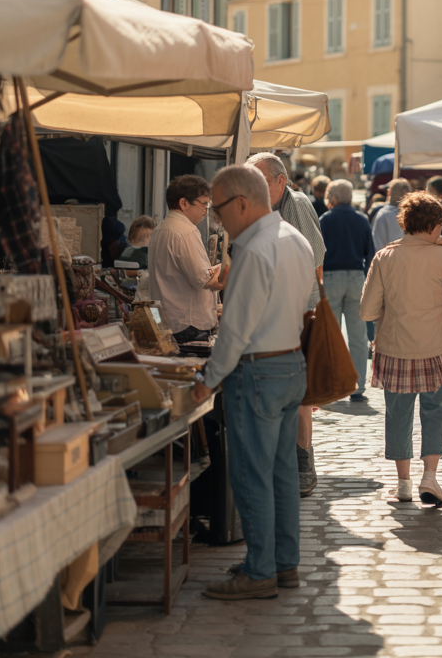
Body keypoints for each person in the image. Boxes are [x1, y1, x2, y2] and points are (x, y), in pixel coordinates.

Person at [191, 165, 314, 601]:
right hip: (290, 364)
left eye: (219, 210)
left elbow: (235, 330)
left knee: (251, 475)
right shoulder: (294, 238)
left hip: (258, 371)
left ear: (241, 203)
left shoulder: (253, 248)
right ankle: (283, 563)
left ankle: (260, 570)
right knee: (281, 473)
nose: (218, 220)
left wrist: (206, 382)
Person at [361, 191, 442, 507]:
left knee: (398, 414)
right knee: (436, 411)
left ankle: (403, 483)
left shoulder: (384, 257)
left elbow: (367, 311)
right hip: (439, 346)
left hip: (395, 348)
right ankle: (430, 477)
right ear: (434, 225)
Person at [246, 152, 326, 498]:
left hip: (295, 311)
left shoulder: (295, 203)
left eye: (259, 180)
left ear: (280, 180)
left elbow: (314, 256)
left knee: (299, 395)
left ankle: (303, 464)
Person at [148, 175, 226, 343]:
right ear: (184, 203)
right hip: (187, 325)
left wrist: (218, 268)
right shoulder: (185, 231)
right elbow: (204, 280)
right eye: (203, 204)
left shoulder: (161, 228)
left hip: (168, 321)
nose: (206, 209)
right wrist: (229, 268)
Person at [319, 179, 375, 403]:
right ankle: (358, 386)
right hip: (356, 276)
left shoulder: (325, 219)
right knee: (358, 335)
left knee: (331, 334)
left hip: (331, 277)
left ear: (333, 197)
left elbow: (317, 252)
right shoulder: (361, 219)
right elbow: (370, 253)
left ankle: (330, 384)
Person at [372, 178, 411, 251]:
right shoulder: (415, 215)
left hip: (389, 256)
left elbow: (377, 244)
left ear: (389, 193)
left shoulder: (383, 215)